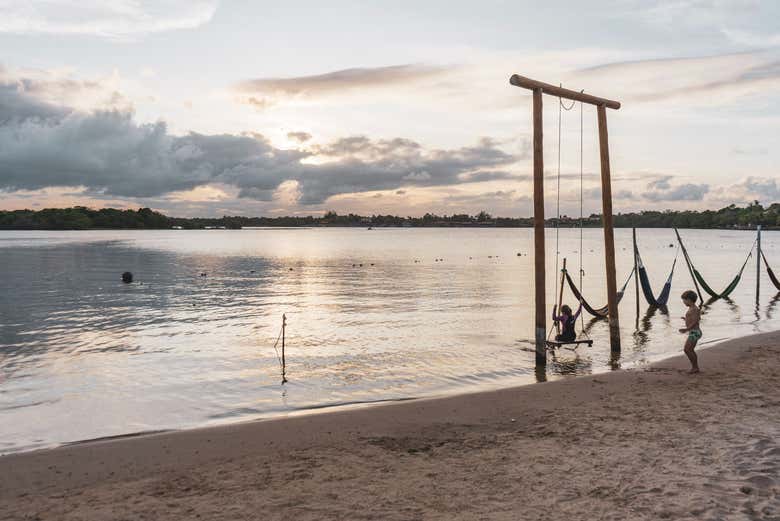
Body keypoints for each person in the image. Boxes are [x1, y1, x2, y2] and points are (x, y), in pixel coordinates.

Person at [679, 290, 701, 373]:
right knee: (689, 349)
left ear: (689, 300)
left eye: (684, 300)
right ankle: (695, 367)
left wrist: (686, 329)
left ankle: (695, 367)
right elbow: (693, 319)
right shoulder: (691, 308)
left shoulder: (695, 309)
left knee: (687, 349)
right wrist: (686, 319)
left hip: (695, 332)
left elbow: (696, 321)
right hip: (693, 332)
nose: (683, 302)